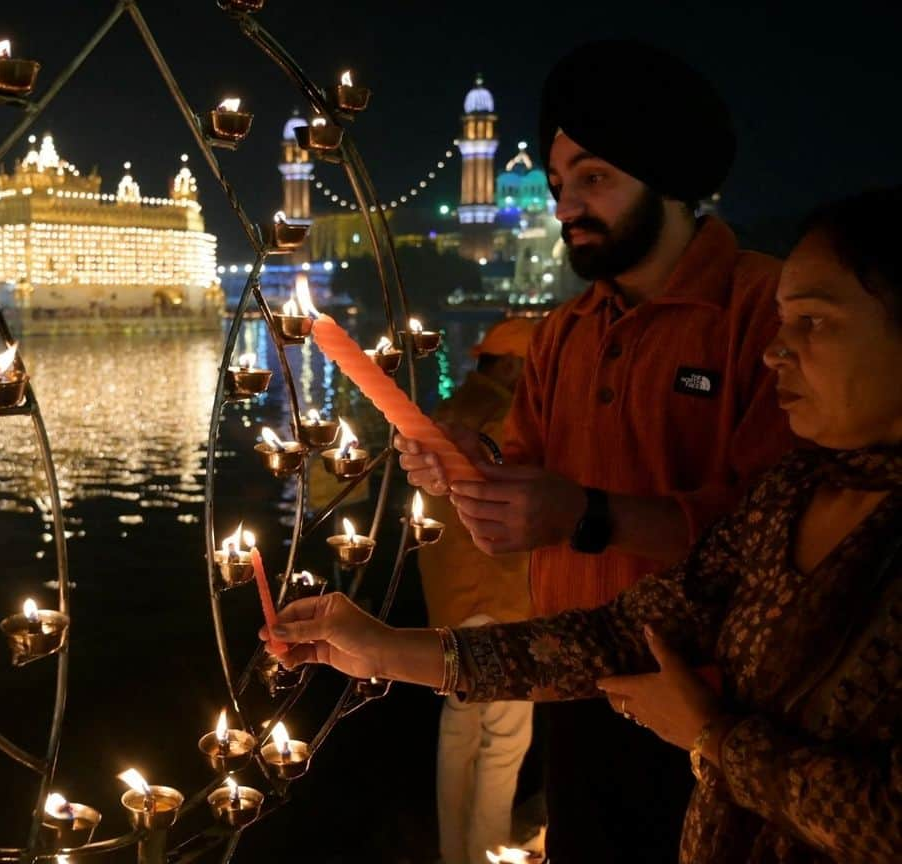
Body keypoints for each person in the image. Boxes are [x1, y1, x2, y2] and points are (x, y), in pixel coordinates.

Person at [263, 186, 902, 863]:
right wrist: (387, 650)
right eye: (782, 322)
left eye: (816, 323)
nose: (778, 352)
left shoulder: (740, 331)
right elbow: (618, 633)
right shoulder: (792, 495)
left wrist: (717, 738)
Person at [396, 40, 795, 862]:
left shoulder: (770, 311)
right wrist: (471, 478)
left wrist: (586, 514)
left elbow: (781, 533)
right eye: (556, 184)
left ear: (668, 177)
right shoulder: (563, 338)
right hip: (576, 691)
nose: (566, 205)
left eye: (594, 179)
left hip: (723, 713)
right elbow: (527, 513)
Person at [418, 317, 537, 864]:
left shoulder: (448, 409)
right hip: (504, 600)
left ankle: (452, 852)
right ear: (514, 365)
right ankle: (486, 851)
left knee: (459, 729)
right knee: (506, 741)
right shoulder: (511, 415)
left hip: (450, 598)